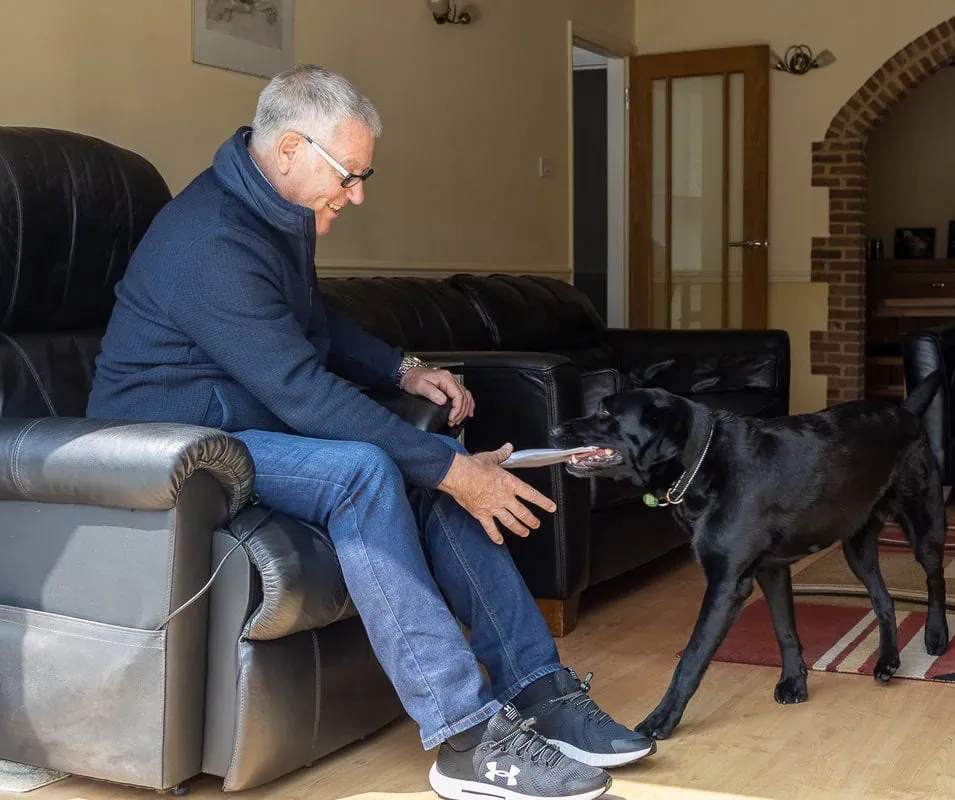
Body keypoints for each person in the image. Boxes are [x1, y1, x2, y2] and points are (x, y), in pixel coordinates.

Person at [86, 64, 654, 800]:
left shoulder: (274, 213)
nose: (358, 193)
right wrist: (453, 472)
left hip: (240, 423)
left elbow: (312, 322)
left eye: (364, 173)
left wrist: (404, 369)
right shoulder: (212, 241)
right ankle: (462, 736)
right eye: (349, 174)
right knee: (371, 470)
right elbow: (303, 394)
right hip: (173, 445)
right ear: (289, 149)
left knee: (435, 460)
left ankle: (538, 689)